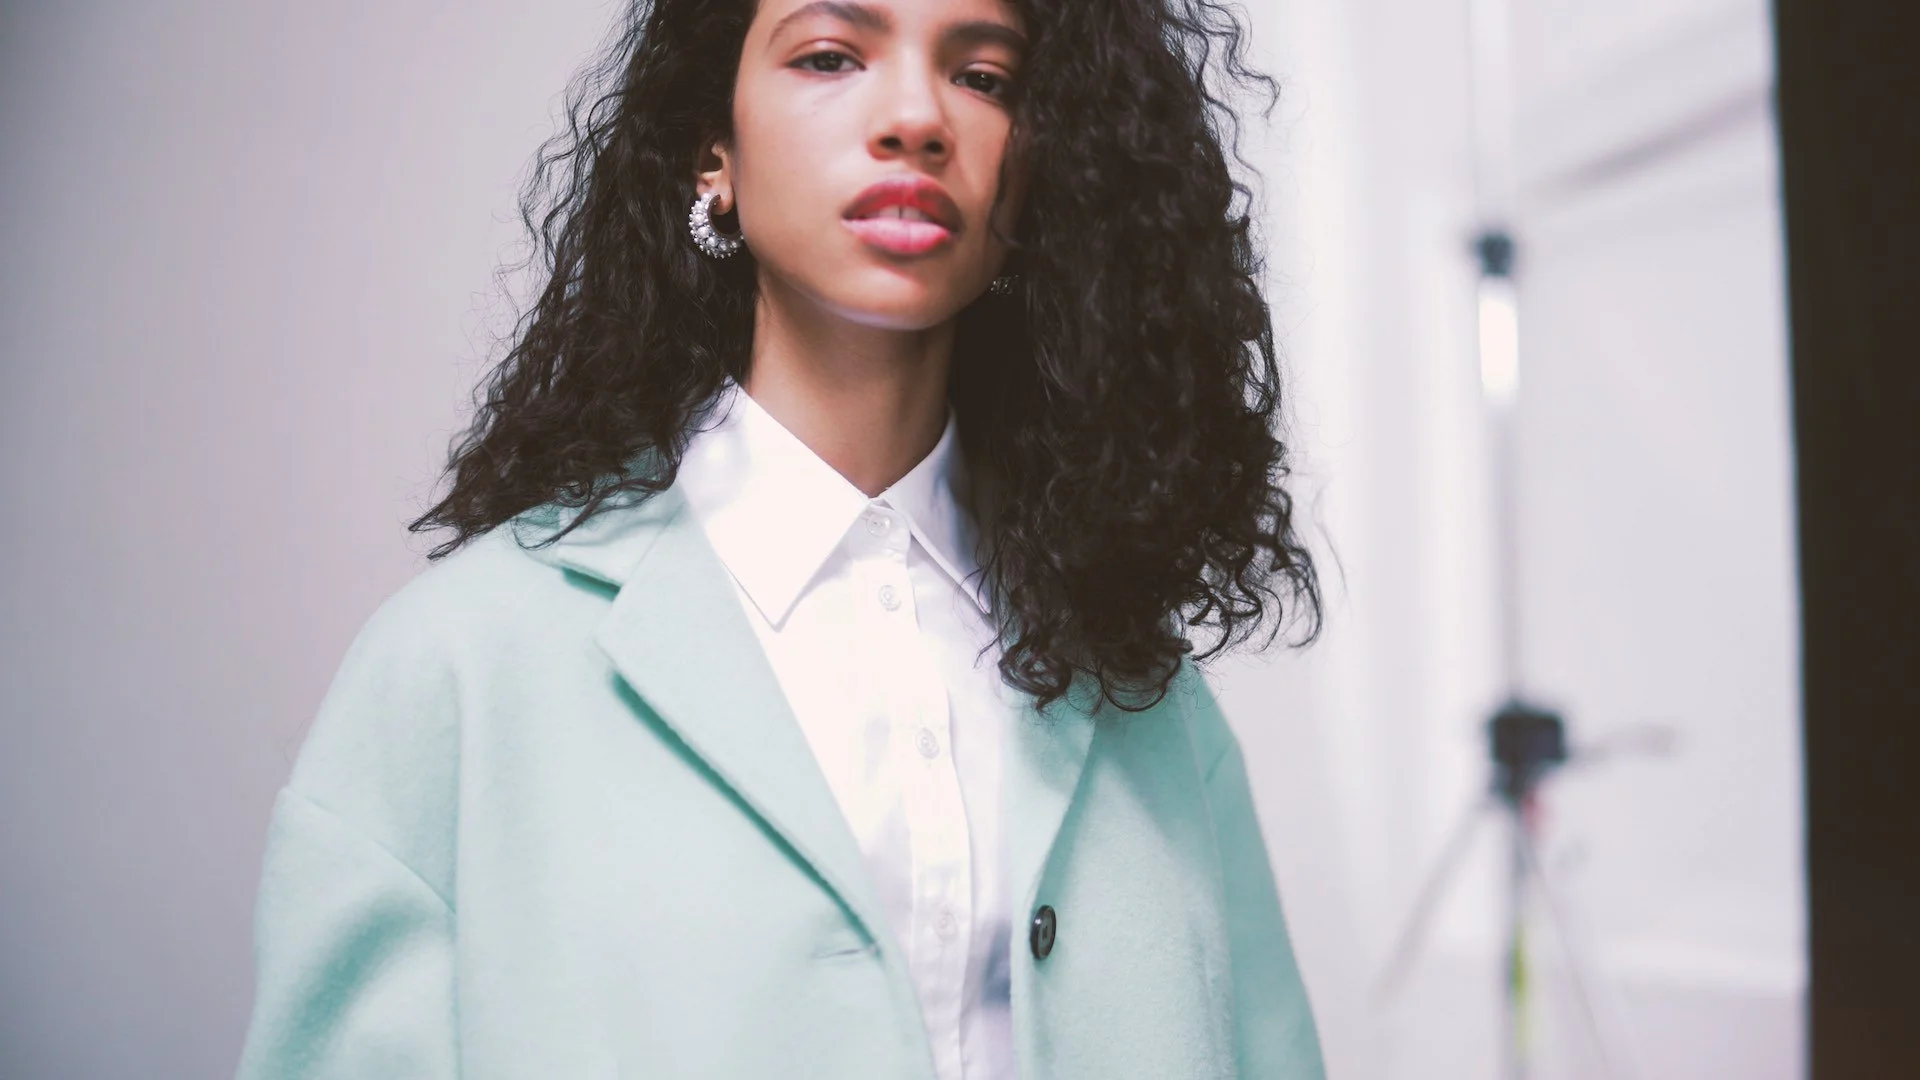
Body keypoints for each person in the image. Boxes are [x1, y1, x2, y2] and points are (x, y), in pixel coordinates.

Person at [235, 0, 1326, 1076]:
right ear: (715, 153)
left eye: (984, 76)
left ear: (1035, 174)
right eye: (828, 55)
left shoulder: (1147, 697)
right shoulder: (456, 670)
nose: (916, 116)